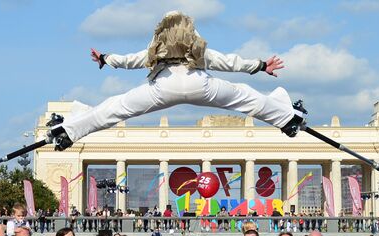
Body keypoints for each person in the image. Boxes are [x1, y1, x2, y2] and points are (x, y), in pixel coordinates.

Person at [49, 11, 306, 151]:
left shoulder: (156, 51)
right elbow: (231, 62)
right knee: (246, 97)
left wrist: (106, 58)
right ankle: (287, 119)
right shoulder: (198, 50)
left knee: (114, 108)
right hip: (200, 84)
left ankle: (68, 131)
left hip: (163, 88)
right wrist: (261, 65)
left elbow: (130, 60)